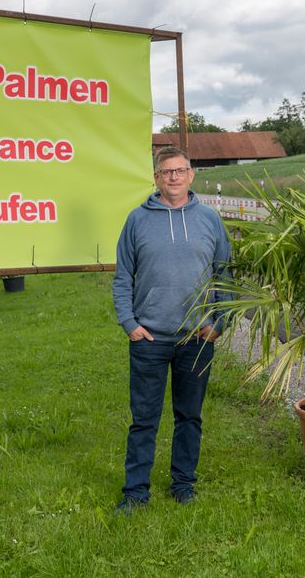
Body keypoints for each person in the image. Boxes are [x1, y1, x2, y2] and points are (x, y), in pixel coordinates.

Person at [112, 146, 231, 512]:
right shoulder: (137, 220)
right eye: (166, 172)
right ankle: (135, 493)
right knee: (144, 420)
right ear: (156, 178)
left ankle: (183, 484)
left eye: (180, 171)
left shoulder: (210, 220)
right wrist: (130, 324)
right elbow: (121, 279)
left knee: (189, 416)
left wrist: (218, 324)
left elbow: (225, 277)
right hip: (149, 339)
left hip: (196, 339)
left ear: (191, 175)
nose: (174, 177)